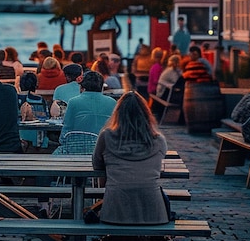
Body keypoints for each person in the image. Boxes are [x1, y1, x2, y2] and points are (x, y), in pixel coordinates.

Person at [92, 90, 170, 225]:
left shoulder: (106, 136)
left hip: (115, 209)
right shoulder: (158, 140)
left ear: (118, 113)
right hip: (153, 211)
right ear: (146, 114)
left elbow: (97, 164)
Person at [59, 71, 117, 139]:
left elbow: (67, 128)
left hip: (77, 145)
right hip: (104, 146)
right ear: (102, 87)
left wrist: (62, 141)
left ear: (82, 86)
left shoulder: (73, 102)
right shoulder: (112, 102)